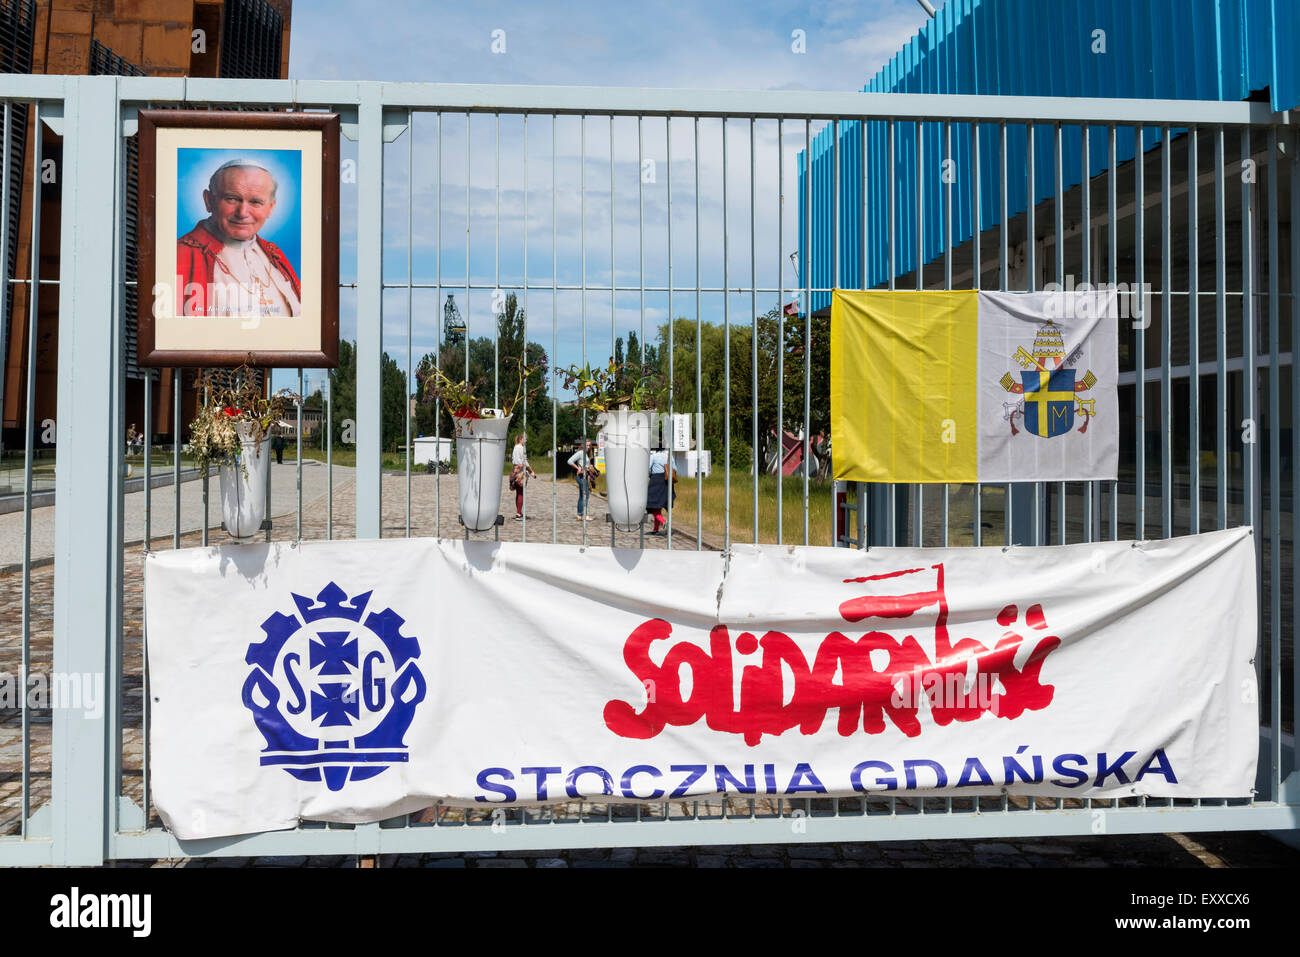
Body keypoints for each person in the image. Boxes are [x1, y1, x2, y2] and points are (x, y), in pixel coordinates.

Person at [175, 158, 301, 318]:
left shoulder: (274, 255)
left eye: (256, 202)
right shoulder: (179, 256)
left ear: (270, 208)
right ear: (208, 200)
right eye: (232, 199)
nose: (242, 213)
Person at [646, 446, 675, 535]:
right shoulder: (669, 456)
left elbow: (648, 469)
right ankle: (655, 529)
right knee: (658, 506)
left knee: (651, 504)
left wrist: (650, 475)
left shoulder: (653, 456)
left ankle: (663, 521)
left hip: (656, 481)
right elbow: (675, 468)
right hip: (667, 482)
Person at [566, 440, 595, 521]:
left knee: (582, 496)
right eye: (587, 445)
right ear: (583, 445)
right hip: (581, 477)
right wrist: (578, 468)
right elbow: (569, 461)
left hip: (585, 477)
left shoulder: (586, 454)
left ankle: (579, 515)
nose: (588, 447)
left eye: (589, 445)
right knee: (586, 496)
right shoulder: (580, 453)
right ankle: (583, 515)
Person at [509, 434, 536, 520]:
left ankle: (519, 512)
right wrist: (531, 471)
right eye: (525, 440)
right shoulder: (521, 448)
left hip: (515, 470)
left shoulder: (515, 447)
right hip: (521, 471)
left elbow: (515, 459)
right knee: (521, 492)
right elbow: (524, 462)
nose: (526, 442)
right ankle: (518, 514)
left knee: (518, 492)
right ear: (521, 439)